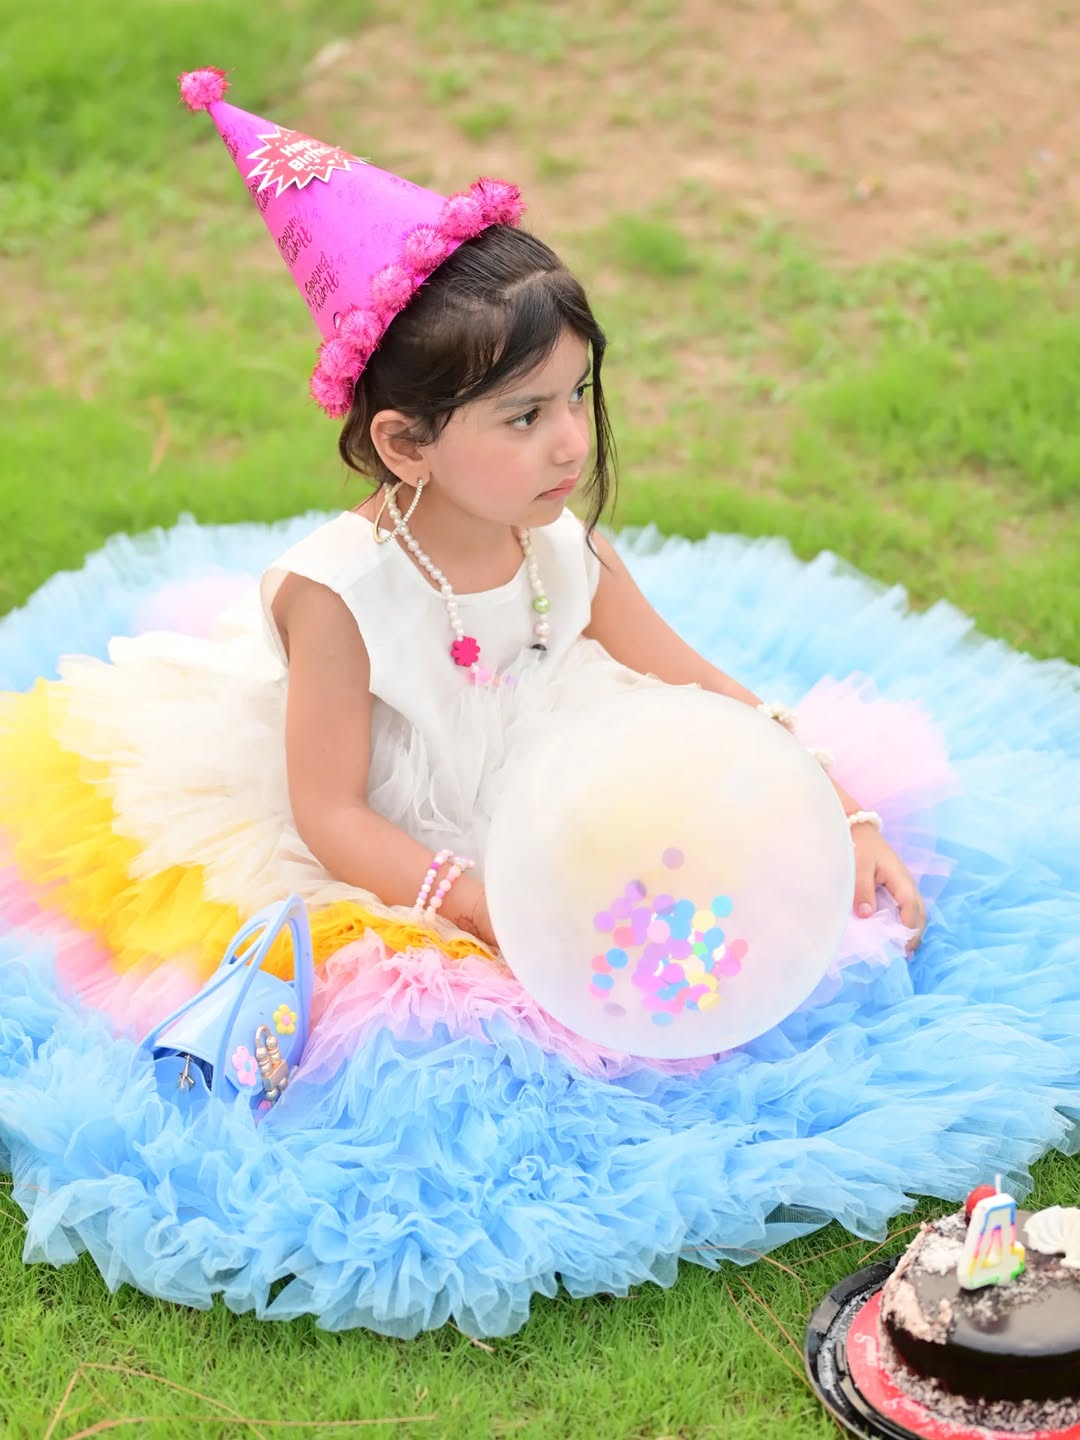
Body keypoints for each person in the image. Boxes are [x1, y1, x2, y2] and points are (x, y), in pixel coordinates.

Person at [0, 70, 1074, 1341]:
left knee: (741, 928)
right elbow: (330, 812)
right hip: (406, 844)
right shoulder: (340, 597)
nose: (571, 442)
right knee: (434, 1076)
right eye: (523, 415)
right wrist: (478, 904)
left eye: (577, 396)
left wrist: (836, 804)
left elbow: (697, 682)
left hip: (553, 778)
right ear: (404, 444)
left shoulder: (564, 549)